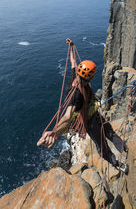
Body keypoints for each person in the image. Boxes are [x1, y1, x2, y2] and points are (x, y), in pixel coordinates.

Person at [37, 39, 128, 173]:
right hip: (89, 122)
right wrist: (55, 133)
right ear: (90, 78)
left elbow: (74, 62)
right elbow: (68, 116)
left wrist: (72, 47)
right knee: (102, 144)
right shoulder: (77, 94)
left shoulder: (76, 76)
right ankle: (118, 163)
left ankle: (123, 148)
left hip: (94, 114)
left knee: (108, 131)